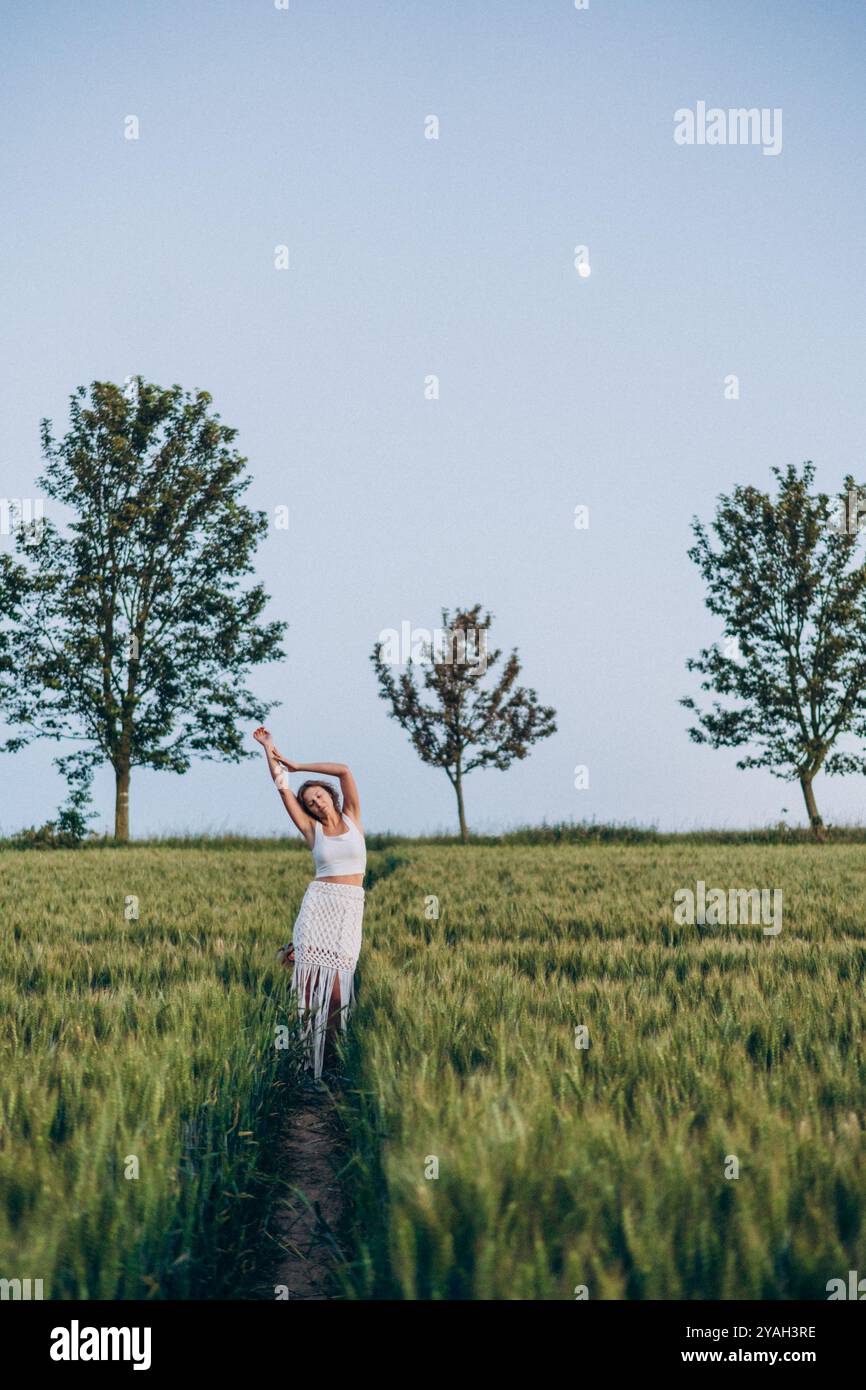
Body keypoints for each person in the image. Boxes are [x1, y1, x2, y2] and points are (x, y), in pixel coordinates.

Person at [253, 727, 366, 1079]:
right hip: (318, 907)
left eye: (320, 796)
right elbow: (282, 787)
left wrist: (299, 765)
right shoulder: (311, 830)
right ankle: (304, 1064)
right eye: (311, 802)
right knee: (307, 991)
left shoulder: (352, 818)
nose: (316, 803)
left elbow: (345, 769)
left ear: (331, 797)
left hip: (349, 909)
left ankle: (330, 1060)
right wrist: (269, 750)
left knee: (335, 994)